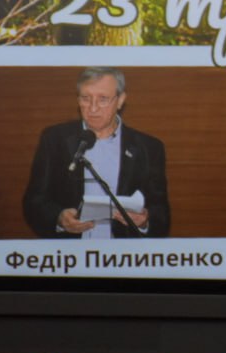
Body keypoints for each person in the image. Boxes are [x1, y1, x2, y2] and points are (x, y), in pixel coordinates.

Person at [22, 67, 169, 239]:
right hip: (70, 251)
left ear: (120, 100)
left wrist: (145, 222)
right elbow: (34, 202)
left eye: (103, 99)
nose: (92, 108)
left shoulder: (148, 148)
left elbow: (161, 213)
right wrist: (59, 218)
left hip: (122, 251)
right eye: (85, 98)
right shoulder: (54, 140)